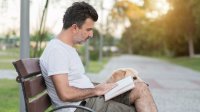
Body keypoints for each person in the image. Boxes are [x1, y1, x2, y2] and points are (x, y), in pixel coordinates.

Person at [40, 1, 157, 112]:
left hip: (91, 100)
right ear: (75, 27)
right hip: (81, 107)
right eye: (88, 29)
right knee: (137, 108)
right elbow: (65, 94)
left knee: (141, 87)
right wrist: (96, 90)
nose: (91, 34)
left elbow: (76, 83)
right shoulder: (57, 51)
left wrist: (102, 88)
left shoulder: (66, 48)